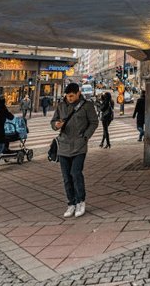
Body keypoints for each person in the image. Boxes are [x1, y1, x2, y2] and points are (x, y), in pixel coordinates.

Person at [51, 83, 98, 218]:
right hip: (64, 146)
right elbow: (53, 121)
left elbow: (94, 122)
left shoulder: (87, 106)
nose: (69, 98)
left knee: (76, 173)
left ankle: (80, 201)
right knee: (66, 177)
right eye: (67, 96)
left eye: (71, 96)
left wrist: (85, 136)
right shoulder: (61, 106)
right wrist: (55, 125)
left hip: (79, 145)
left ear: (78, 93)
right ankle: (71, 203)